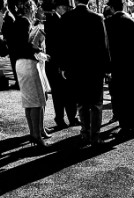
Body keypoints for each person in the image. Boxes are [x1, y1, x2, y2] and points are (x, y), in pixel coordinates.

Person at [59, 0, 110, 146]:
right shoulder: (97, 18)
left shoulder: (67, 18)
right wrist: (107, 69)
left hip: (76, 67)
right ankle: (95, 135)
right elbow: (103, 46)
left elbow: (63, 44)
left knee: (81, 102)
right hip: (94, 67)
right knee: (96, 104)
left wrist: (64, 67)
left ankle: (84, 131)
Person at [11, 0, 52, 148]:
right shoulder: (25, 23)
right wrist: (41, 53)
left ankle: (34, 132)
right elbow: (27, 46)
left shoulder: (18, 22)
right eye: (35, 9)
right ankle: (36, 135)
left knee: (29, 102)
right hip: (28, 63)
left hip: (20, 63)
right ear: (31, 9)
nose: (35, 12)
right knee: (37, 102)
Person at [104, 0, 134, 139]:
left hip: (116, 65)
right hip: (132, 64)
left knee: (120, 97)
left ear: (112, 7)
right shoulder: (133, 22)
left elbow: (106, 47)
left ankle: (125, 126)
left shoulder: (108, 23)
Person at [44, 0, 79, 129]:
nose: (68, 10)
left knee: (67, 92)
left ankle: (69, 117)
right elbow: (58, 45)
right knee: (60, 93)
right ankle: (61, 118)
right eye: (66, 7)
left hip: (60, 62)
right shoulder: (54, 21)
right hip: (57, 62)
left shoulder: (58, 20)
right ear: (58, 8)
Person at [0, 0, 19, 89]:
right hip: (12, 44)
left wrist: (4, 39)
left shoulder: (9, 17)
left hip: (12, 45)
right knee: (14, 64)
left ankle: (18, 83)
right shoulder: (7, 16)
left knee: (14, 64)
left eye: (0, 8)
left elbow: (10, 32)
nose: (0, 10)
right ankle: (17, 82)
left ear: (5, 6)